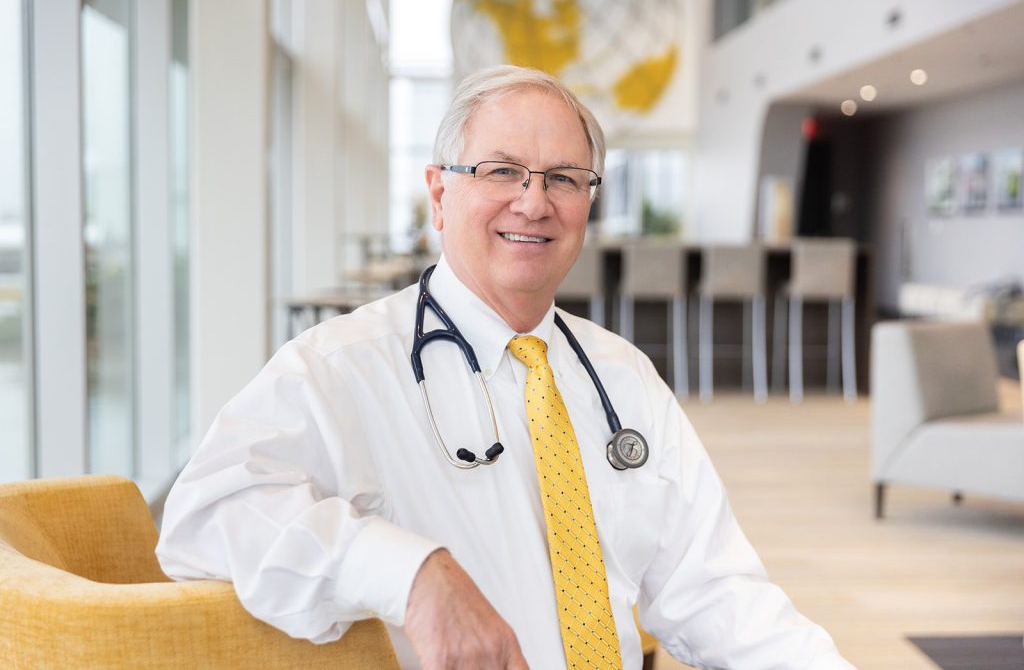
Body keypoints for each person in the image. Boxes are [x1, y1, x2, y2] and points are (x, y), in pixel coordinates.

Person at [157, 65, 854, 669]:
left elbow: (717, 591)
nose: (534, 200)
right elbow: (207, 515)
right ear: (438, 192)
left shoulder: (624, 377)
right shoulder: (343, 366)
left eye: (563, 178)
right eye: (501, 170)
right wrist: (411, 571)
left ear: (589, 201)